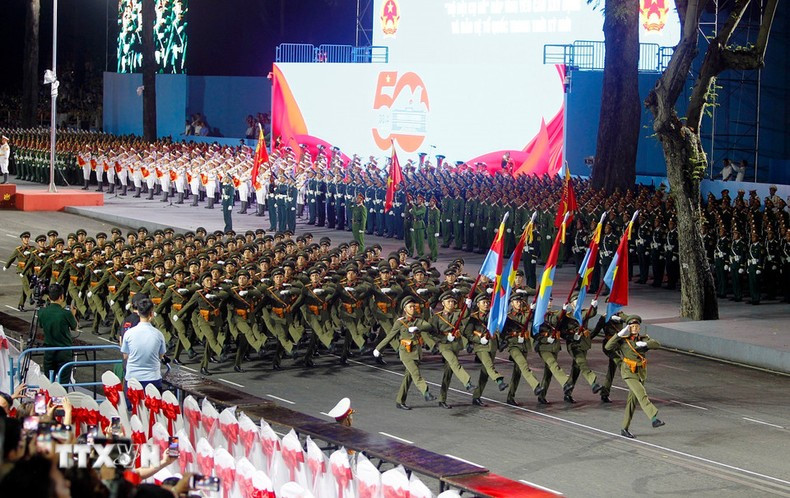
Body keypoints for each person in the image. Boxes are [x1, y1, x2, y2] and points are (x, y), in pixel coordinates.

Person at [604, 315, 664, 438]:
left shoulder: (643, 338)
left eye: (637, 326)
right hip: (628, 372)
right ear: (628, 328)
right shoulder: (623, 340)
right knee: (641, 393)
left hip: (640, 372)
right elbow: (608, 347)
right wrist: (619, 335)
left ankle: (624, 428)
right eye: (632, 326)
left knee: (631, 402)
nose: (635, 328)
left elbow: (657, 344)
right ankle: (654, 418)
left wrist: (645, 344)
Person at [120, 296, 166, 391]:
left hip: (133, 379)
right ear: (151, 314)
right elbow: (160, 355)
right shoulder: (158, 334)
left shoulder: (129, 333)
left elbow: (125, 355)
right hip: (153, 379)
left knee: (131, 406)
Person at [37, 283, 78, 383]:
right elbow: (75, 327)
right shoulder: (65, 313)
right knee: (63, 383)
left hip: (49, 351)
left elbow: (41, 325)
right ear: (61, 296)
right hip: (64, 352)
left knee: (48, 382)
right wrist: (73, 315)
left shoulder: (42, 312)